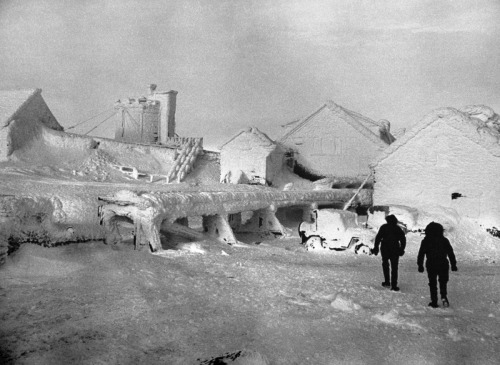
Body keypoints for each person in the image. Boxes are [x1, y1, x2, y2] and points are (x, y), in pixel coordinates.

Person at [417, 221, 457, 308]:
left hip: (431, 263)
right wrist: (453, 264)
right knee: (443, 281)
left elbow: (421, 254)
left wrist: (420, 265)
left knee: (432, 283)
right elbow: (450, 253)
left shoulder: (426, 241)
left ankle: (434, 301)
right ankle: (443, 296)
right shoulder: (444, 240)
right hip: (443, 263)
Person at [372, 215, 406, 291]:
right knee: (394, 267)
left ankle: (387, 282)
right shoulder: (397, 228)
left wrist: (376, 247)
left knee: (385, 265)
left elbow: (378, 238)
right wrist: (402, 249)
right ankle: (394, 285)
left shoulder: (384, 227)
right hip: (395, 249)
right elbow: (403, 239)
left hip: (385, 249)